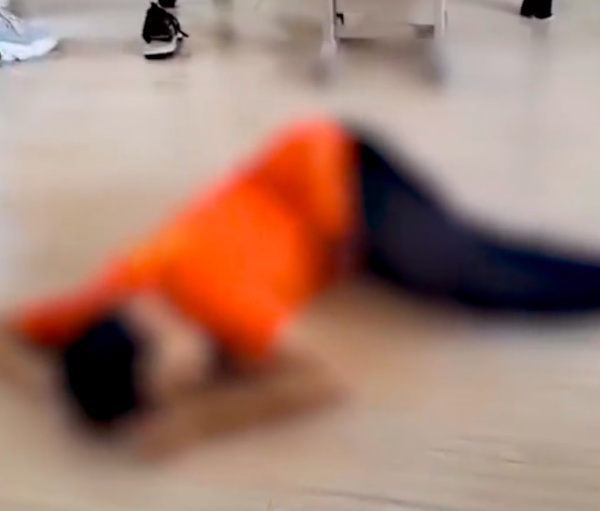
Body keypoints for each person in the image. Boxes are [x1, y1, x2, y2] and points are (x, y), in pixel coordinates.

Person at [2, 117, 600, 457]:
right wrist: (55, 387)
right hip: (304, 183)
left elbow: (326, 379)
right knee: (457, 262)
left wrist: (199, 422)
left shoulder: (216, 301)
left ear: (148, 326)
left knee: (470, 272)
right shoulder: (106, 301)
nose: (189, 381)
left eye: (173, 377)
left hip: (334, 178)